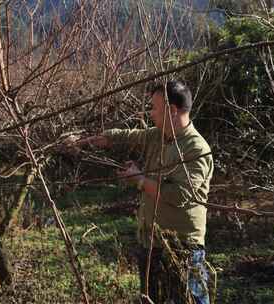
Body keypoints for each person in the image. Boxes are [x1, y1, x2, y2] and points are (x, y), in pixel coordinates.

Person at [74, 80, 213, 304]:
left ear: (172, 110)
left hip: (182, 248)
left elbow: (180, 195)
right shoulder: (157, 136)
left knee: (189, 300)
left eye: (154, 108)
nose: (150, 113)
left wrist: (139, 180)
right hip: (151, 242)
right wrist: (83, 142)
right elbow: (127, 136)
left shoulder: (196, 149)